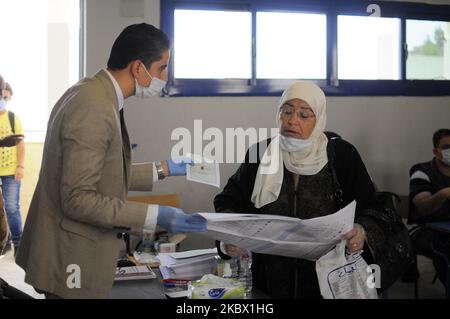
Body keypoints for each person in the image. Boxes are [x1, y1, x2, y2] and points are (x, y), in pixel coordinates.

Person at [15, 23, 206, 299]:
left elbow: (102, 171)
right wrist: (154, 216)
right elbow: (78, 198)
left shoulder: (93, 91)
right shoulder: (94, 107)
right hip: (70, 256)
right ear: (139, 68)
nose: (165, 76)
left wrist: (163, 169)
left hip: (71, 250)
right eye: (162, 68)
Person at [214, 81, 382, 298]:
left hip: (327, 282)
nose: (292, 120)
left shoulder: (342, 155)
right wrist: (230, 237)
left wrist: (362, 230)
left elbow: (371, 205)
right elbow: (228, 201)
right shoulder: (260, 153)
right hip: (267, 281)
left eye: (304, 115)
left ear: (319, 118)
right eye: (287, 111)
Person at [407, 128, 450, 284]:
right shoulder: (422, 171)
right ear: (435, 151)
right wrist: (443, 194)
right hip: (423, 228)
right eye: (446, 147)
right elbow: (423, 207)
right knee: (445, 247)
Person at [0, 82, 25, 257]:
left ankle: (19, 244)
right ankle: (4, 242)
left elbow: (20, 143)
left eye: (5, 97)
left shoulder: (12, 117)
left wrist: (20, 166)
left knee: (11, 208)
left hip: (11, 171)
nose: (3, 100)